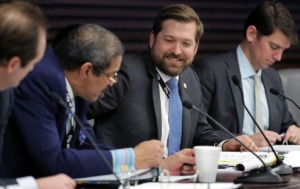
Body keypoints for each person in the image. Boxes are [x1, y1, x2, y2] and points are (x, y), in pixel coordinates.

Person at [88, 4, 257, 175]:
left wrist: (225, 144)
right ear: (152, 39)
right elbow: (77, 116)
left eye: (186, 43)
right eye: (169, 40)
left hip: (178, 179)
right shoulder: (125, 73)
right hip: (129, 179)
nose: (176, 51)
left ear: (196, 47)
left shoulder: (190, 78)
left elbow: (200, 132)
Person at [0, 22, 165, 179]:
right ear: (87, 70)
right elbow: (52, 161)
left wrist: (143, 162)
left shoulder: (77, 86)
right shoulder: (42, 80)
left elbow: (88, 145)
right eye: (112, 75)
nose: (113, 82)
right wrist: (131, 157)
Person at [193, 1, 300, 148]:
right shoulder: (210, 71)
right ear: (252, 34)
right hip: (231, 166)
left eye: (283, 50)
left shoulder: (273, 77)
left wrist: (294, 131)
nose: (279, 57)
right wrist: (244, 141)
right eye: (274, 47)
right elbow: (197, 130)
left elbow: (285, 125)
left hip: (274, 165)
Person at [0, 1, 75, 189]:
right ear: (13, 65)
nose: (35, 69)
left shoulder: (5, 94)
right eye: (34, 63)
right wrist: (35, 185)